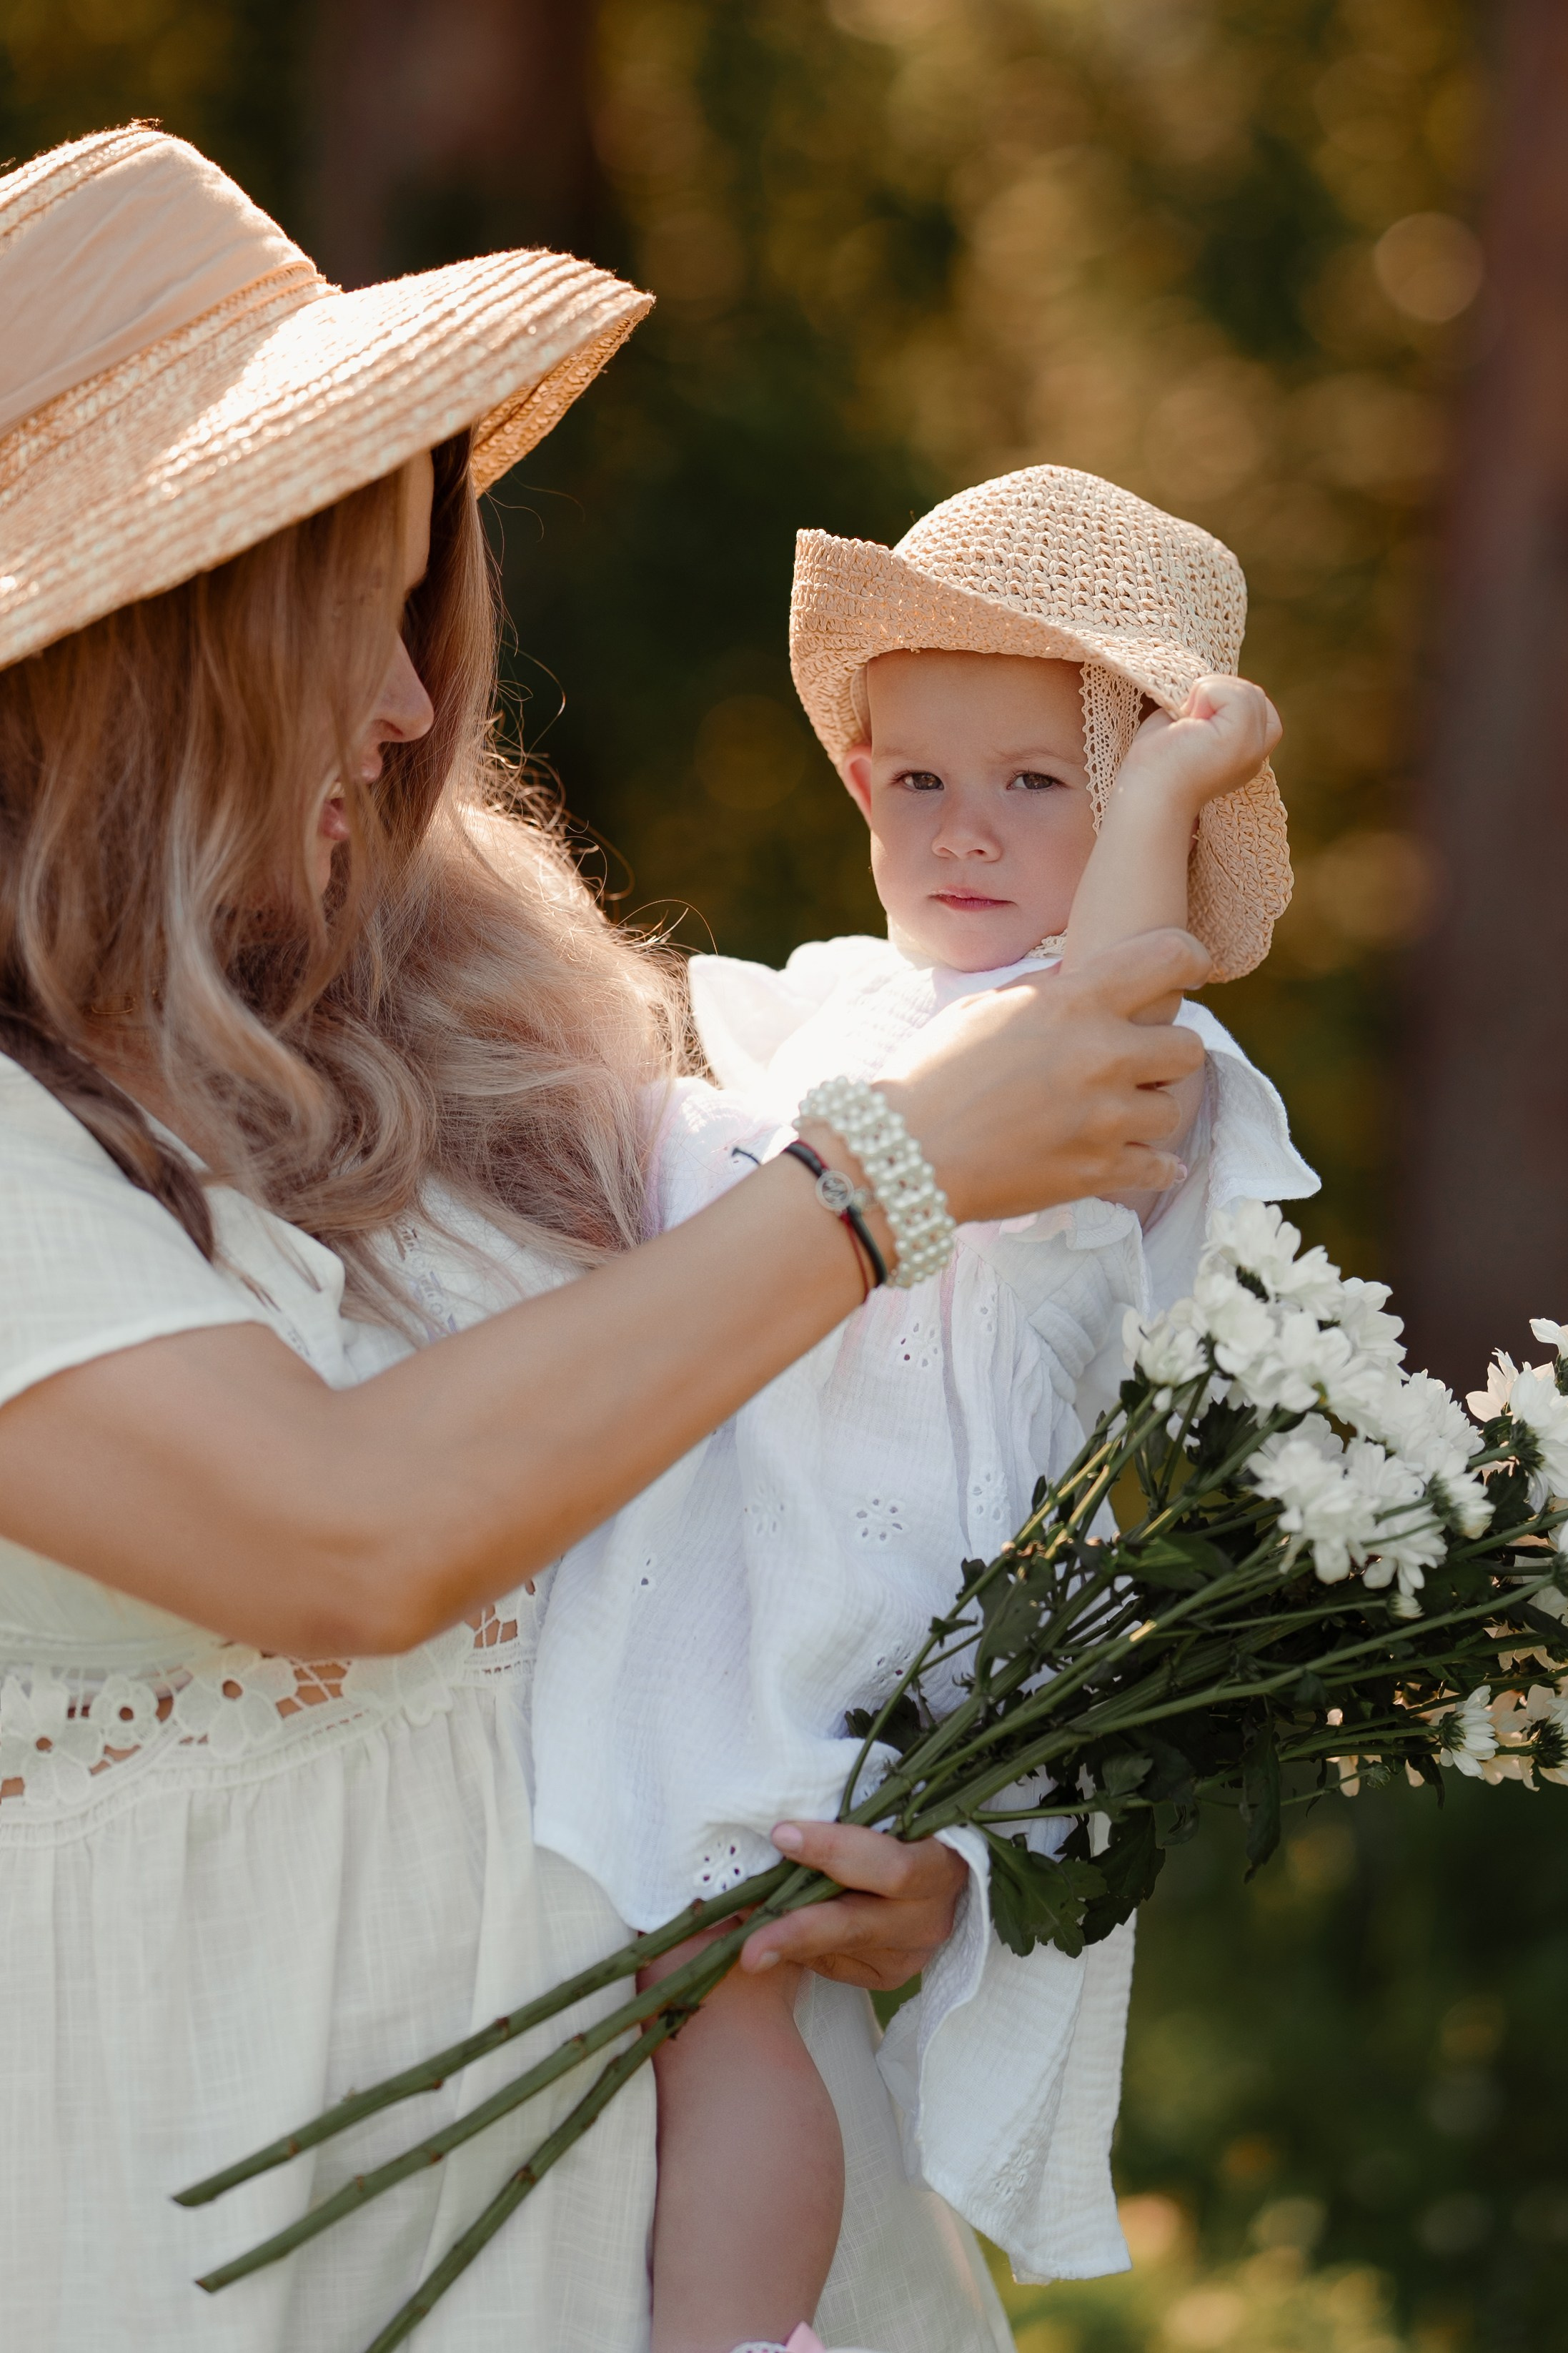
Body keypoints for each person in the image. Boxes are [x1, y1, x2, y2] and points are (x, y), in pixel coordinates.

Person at [0, 132, 1214, 2353]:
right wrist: (884, 1174)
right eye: (349, 621)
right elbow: (348, 1534)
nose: (409, 708)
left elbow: (767, 1468)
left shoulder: (454, 981)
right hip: (211, 2173)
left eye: (419, 617)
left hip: (673, 2198)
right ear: (143, 656)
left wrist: (908, 1825)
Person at [531, 469, 1321, 2353]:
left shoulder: (1132, 1047)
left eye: (1037, 782)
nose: (964, 828)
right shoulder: (841, 1006)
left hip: (869, 1572)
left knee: (724, 1966)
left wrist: (1165, 790)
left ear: (1135, 813)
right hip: (729, 1539)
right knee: (662, 1953)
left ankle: (740, 2332)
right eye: (917, 780)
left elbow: (1100, 1015)